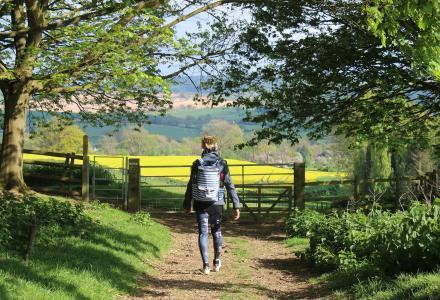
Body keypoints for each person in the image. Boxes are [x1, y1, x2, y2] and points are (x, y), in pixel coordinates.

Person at [183, 135, 241, 275]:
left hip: (200, 202)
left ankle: (206, 265)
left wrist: (187, 203)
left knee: (203, 233)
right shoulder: (222, 163)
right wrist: (236, 205)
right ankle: (217, 261)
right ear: (216, 146)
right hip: (217, 202)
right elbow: (229, 185)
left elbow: (191, 184)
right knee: (216, 231)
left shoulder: (197, 163)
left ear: (203, 146)